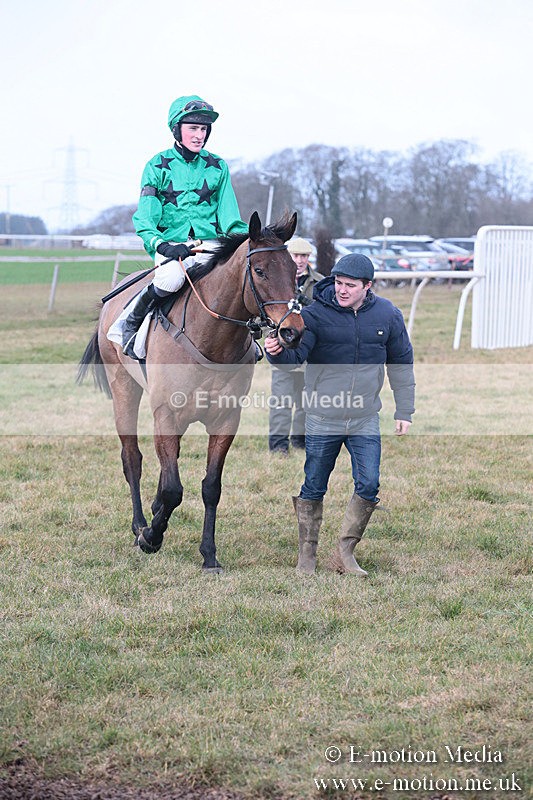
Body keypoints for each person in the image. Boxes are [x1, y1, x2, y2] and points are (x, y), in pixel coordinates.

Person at [264, 253, 415, 577]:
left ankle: (346, 552)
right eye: (339, 284)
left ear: (367, 286)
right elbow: (295, 359)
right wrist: (275, 352)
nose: (342, 290)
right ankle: (307, 555)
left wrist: (405, 410)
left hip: (364, 418)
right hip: (322, 416)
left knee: (370, 483)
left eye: (350, 285)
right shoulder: (315, 315)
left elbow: (401, 363)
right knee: (314, 485)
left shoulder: (388, 315)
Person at [109, 95, 248, 359]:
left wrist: (243, 241)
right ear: (177, 129)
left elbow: (230, 216)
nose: (199, 135)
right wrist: (161, 245)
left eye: (203, 129)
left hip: (211, 244)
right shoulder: (157, 165)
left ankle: (247, 341)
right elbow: (145, 217)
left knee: (242, 276)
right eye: (193, 128)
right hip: (171, 245)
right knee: (171, 278)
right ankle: (130, 322)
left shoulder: (218, 166)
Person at [268, 237, 324, 454]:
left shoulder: (319, 283)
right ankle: (278, 445)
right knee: (281, 400)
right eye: (296, 256)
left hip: (309, 350)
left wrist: (307, 303)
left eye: (304, 256)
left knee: (305, 401)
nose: (300, 261)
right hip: (284, 348)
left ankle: (300, 440)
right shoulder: (276, 282)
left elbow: (324, 315)